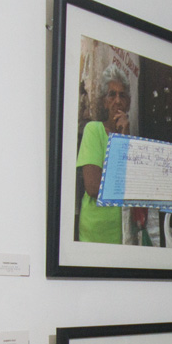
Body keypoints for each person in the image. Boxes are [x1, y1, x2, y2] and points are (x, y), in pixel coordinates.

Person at [76, 64, 131, 244]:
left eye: (122, 95)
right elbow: (92, 186)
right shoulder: (93, 130)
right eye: (111, 94)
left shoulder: (130, 138)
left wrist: (123, 137)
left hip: (123, 233)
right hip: (95, 232)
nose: (117, 100)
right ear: (104, 101)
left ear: (128, 102)